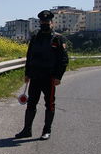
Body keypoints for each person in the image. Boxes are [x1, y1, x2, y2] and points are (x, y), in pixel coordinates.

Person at [15, 10, 69, 140]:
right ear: (40, 22)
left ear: (52, 22)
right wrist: (27, 74)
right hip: (35, 77)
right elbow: (29, 57)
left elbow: (64, 59)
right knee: (31, 104)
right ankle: (27, 130)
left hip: (49, 78)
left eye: (47, 21)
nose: (44, 23)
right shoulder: (35, 38)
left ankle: (46, 131)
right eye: (42, 21)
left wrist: (58, 77)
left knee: (49, 104)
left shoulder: (58, 38)